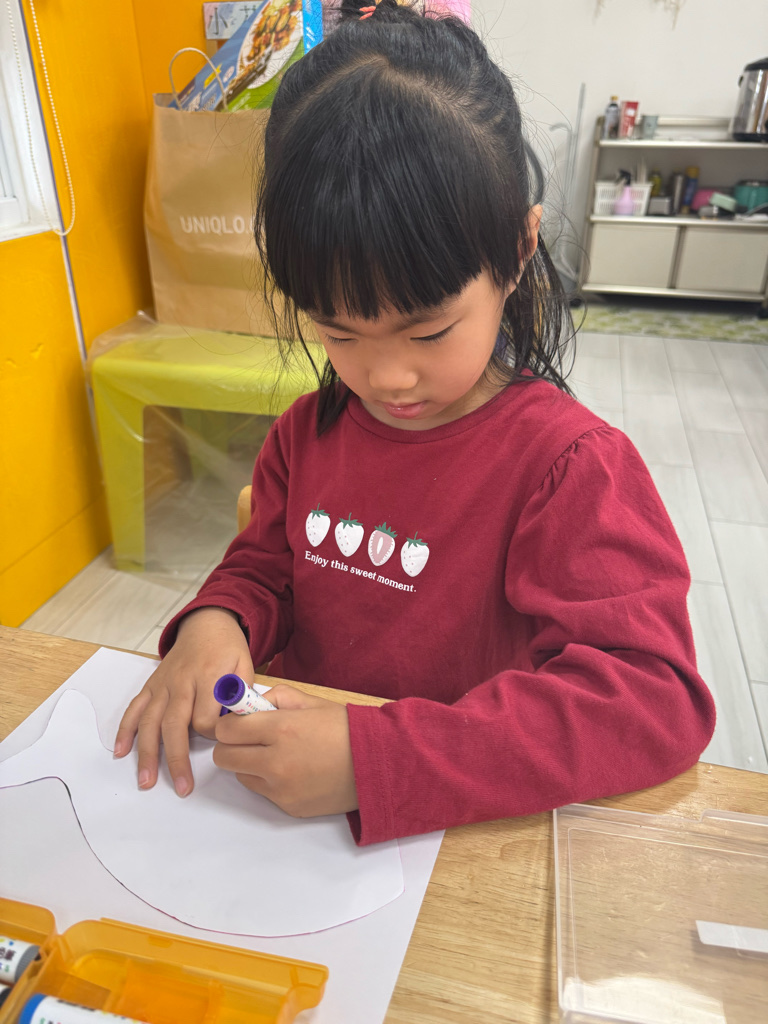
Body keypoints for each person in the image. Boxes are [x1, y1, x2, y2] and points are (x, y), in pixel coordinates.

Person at [115, 0, 715, 845]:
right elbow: (265, 568)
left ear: (518, 250)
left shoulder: (571, 467)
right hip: (285, 831)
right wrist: (220, 620)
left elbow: (653, 699)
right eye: (339, 333)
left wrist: (377, 760)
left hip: (452, 838)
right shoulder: (305, 436)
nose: (386, 377)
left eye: (428, 331)